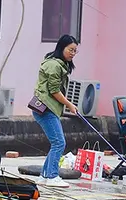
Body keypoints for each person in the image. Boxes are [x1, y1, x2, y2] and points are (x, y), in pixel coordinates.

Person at [31, 34, 79, 188]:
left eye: (75, 51)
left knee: (56, 142)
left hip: (47, 108)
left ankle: (45, 175)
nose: (72, 53)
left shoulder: (59, 64)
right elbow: (54, 91)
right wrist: (70, 105)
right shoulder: (54, 65)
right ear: (61, 47)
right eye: (70, 50)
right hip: (46, 108)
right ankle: (52, 176)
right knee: (59, 142)